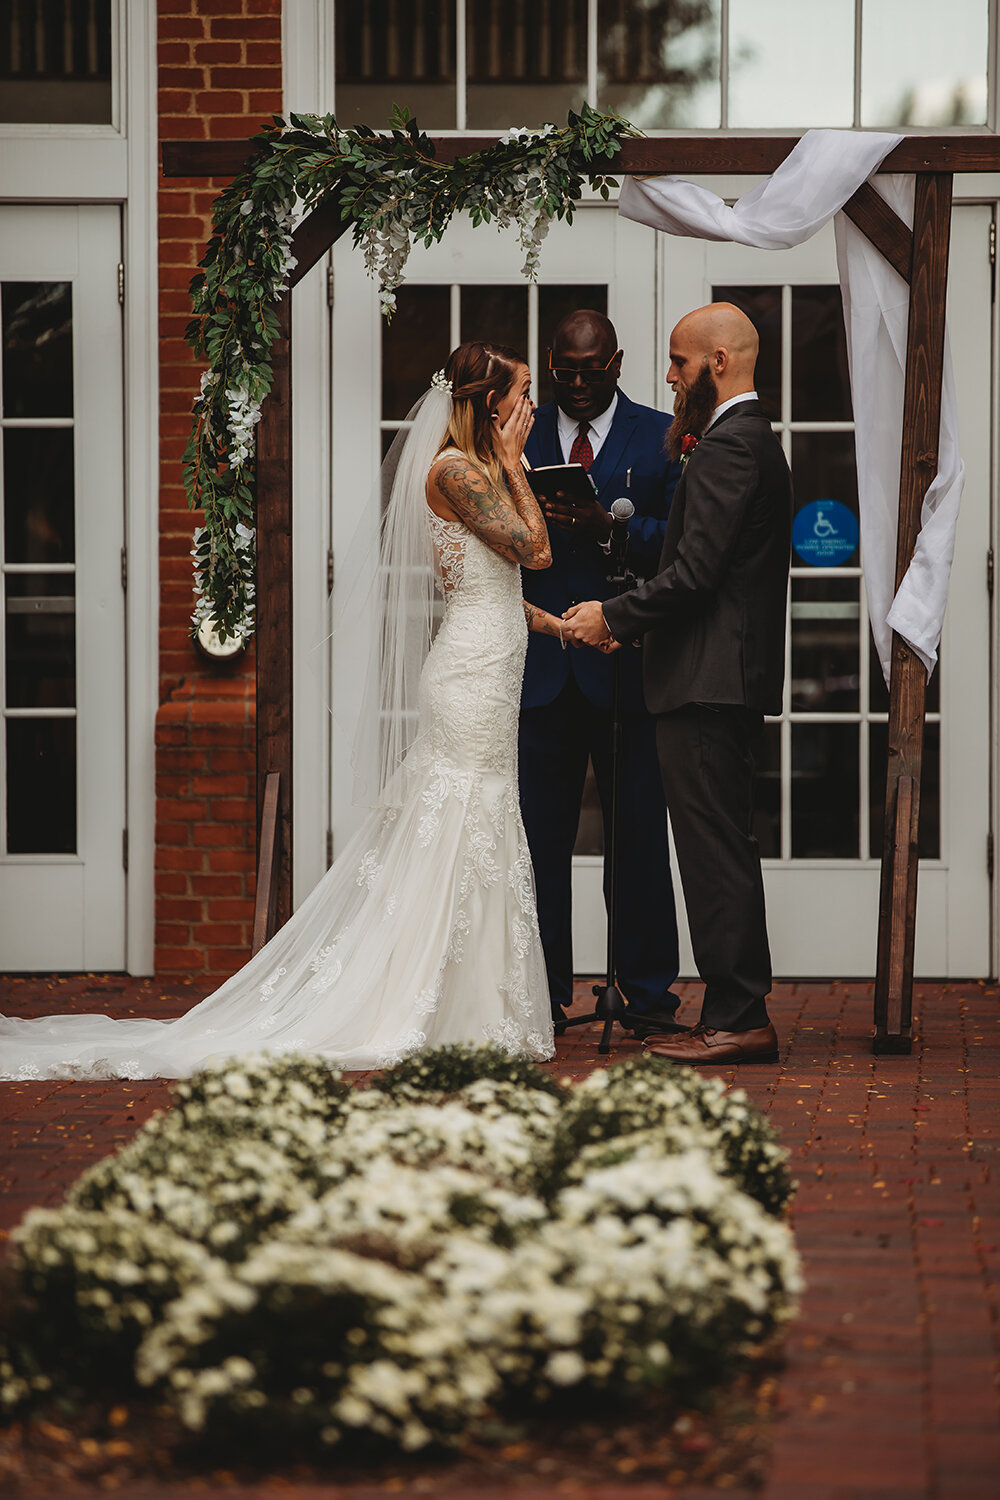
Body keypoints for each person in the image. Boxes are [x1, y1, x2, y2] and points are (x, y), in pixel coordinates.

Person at [0, 342, 572, 1081]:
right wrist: (515, 461)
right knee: (462, 816)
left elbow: (486, 585)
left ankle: (475, 1008)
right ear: (489, 404)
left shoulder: (476, 472)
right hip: (469, 677)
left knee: (483, 821)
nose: (533, 407)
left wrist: (551, 625)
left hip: (488, 657)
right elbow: (537, 548)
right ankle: (418, 1001)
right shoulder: (457, 469)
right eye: (524, 393)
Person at [563, 303, 792, 1067]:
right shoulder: (739, 441)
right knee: (721, 849)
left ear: (718, 362)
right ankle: (737, 1008)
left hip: (708, 680)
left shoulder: (731, 447)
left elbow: (695, 574)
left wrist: (613, 618)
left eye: (678, 361)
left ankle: (738, 1017)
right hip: (714, 678)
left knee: (715, 855)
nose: (668, 376)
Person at [520, 308, 684, 1038]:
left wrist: (608, 528)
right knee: (536, 843)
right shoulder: (515, 436)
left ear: (618, 363)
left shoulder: (660, 435)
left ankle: (646, 995)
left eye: (594, 370)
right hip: (540, 671)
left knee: (639, 840)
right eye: (567, 371)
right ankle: (542, 994)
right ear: (552, 363)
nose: (580, 384)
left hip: (628, 669)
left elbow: (683, 545)